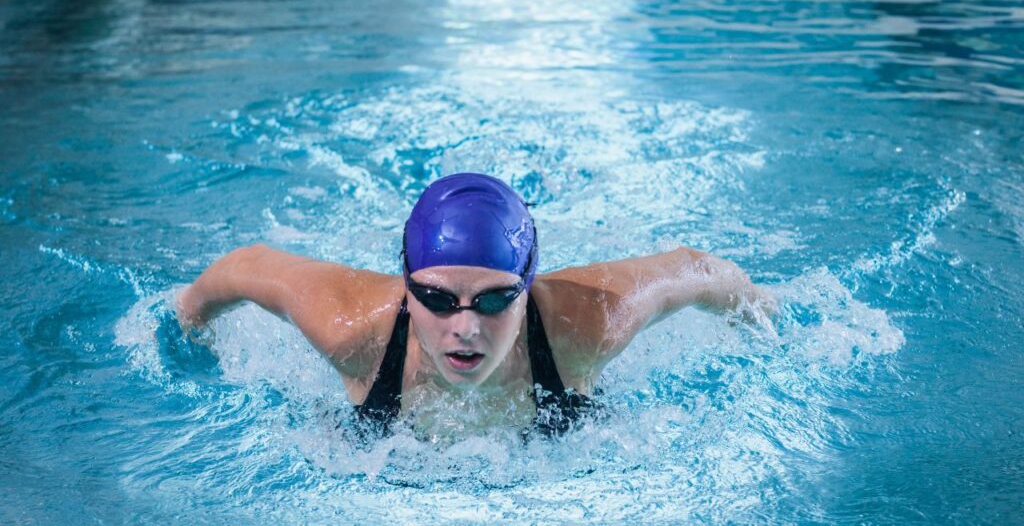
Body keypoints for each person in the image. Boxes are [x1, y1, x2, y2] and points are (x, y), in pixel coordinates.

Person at [176, 173, 774, 438]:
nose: (465, 326)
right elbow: (246, 267)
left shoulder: (585, 323)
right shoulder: (352, 330)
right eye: (436, 298)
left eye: (494, 300)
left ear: (528, 286)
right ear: (406, 283)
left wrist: (768, 321)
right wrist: (185, 326)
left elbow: (694, 271)